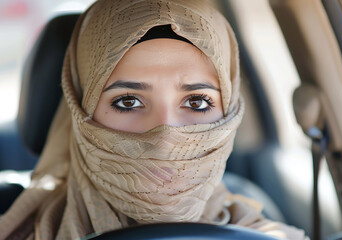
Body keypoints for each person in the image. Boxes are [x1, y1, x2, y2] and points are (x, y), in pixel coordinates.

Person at [0, 0, 308, 239]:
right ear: (80, 110)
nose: (165, 139)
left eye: (197, 102)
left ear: (227, 111)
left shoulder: (263, 231)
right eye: (128, 102)